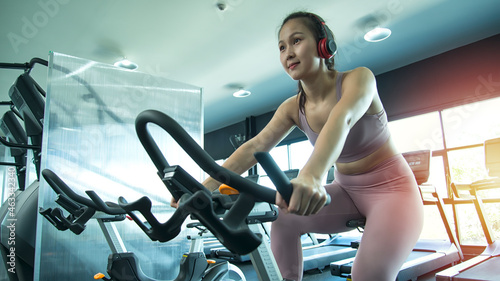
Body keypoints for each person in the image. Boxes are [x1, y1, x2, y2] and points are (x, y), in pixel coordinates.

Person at [180, 11, 424, 281]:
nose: (288, 53)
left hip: (392, 191)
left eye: (296, 41)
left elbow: (342, 119)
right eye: (282, 47)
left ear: (324, 45)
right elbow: (255, 146)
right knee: (283, 216)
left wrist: (311, 176)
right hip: (346, 190)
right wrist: (204, 186)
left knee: (367, 275)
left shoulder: (359, 79)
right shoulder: (293, 107)